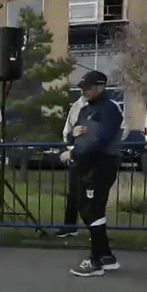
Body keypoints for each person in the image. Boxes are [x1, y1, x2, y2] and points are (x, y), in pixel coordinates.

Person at [60, 70, 124, 277]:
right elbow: (74, 136)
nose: (84, 91)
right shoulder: (85, 110)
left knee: (94, 211)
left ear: (100, 87)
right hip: (85, 166)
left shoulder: (108, 110)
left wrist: (73, 154)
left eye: (88, 88)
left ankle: (95, 261)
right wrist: (72, 135)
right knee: (86, 209)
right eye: (82, 88)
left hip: (101, 165)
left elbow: (99, 141)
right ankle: (106, 255)